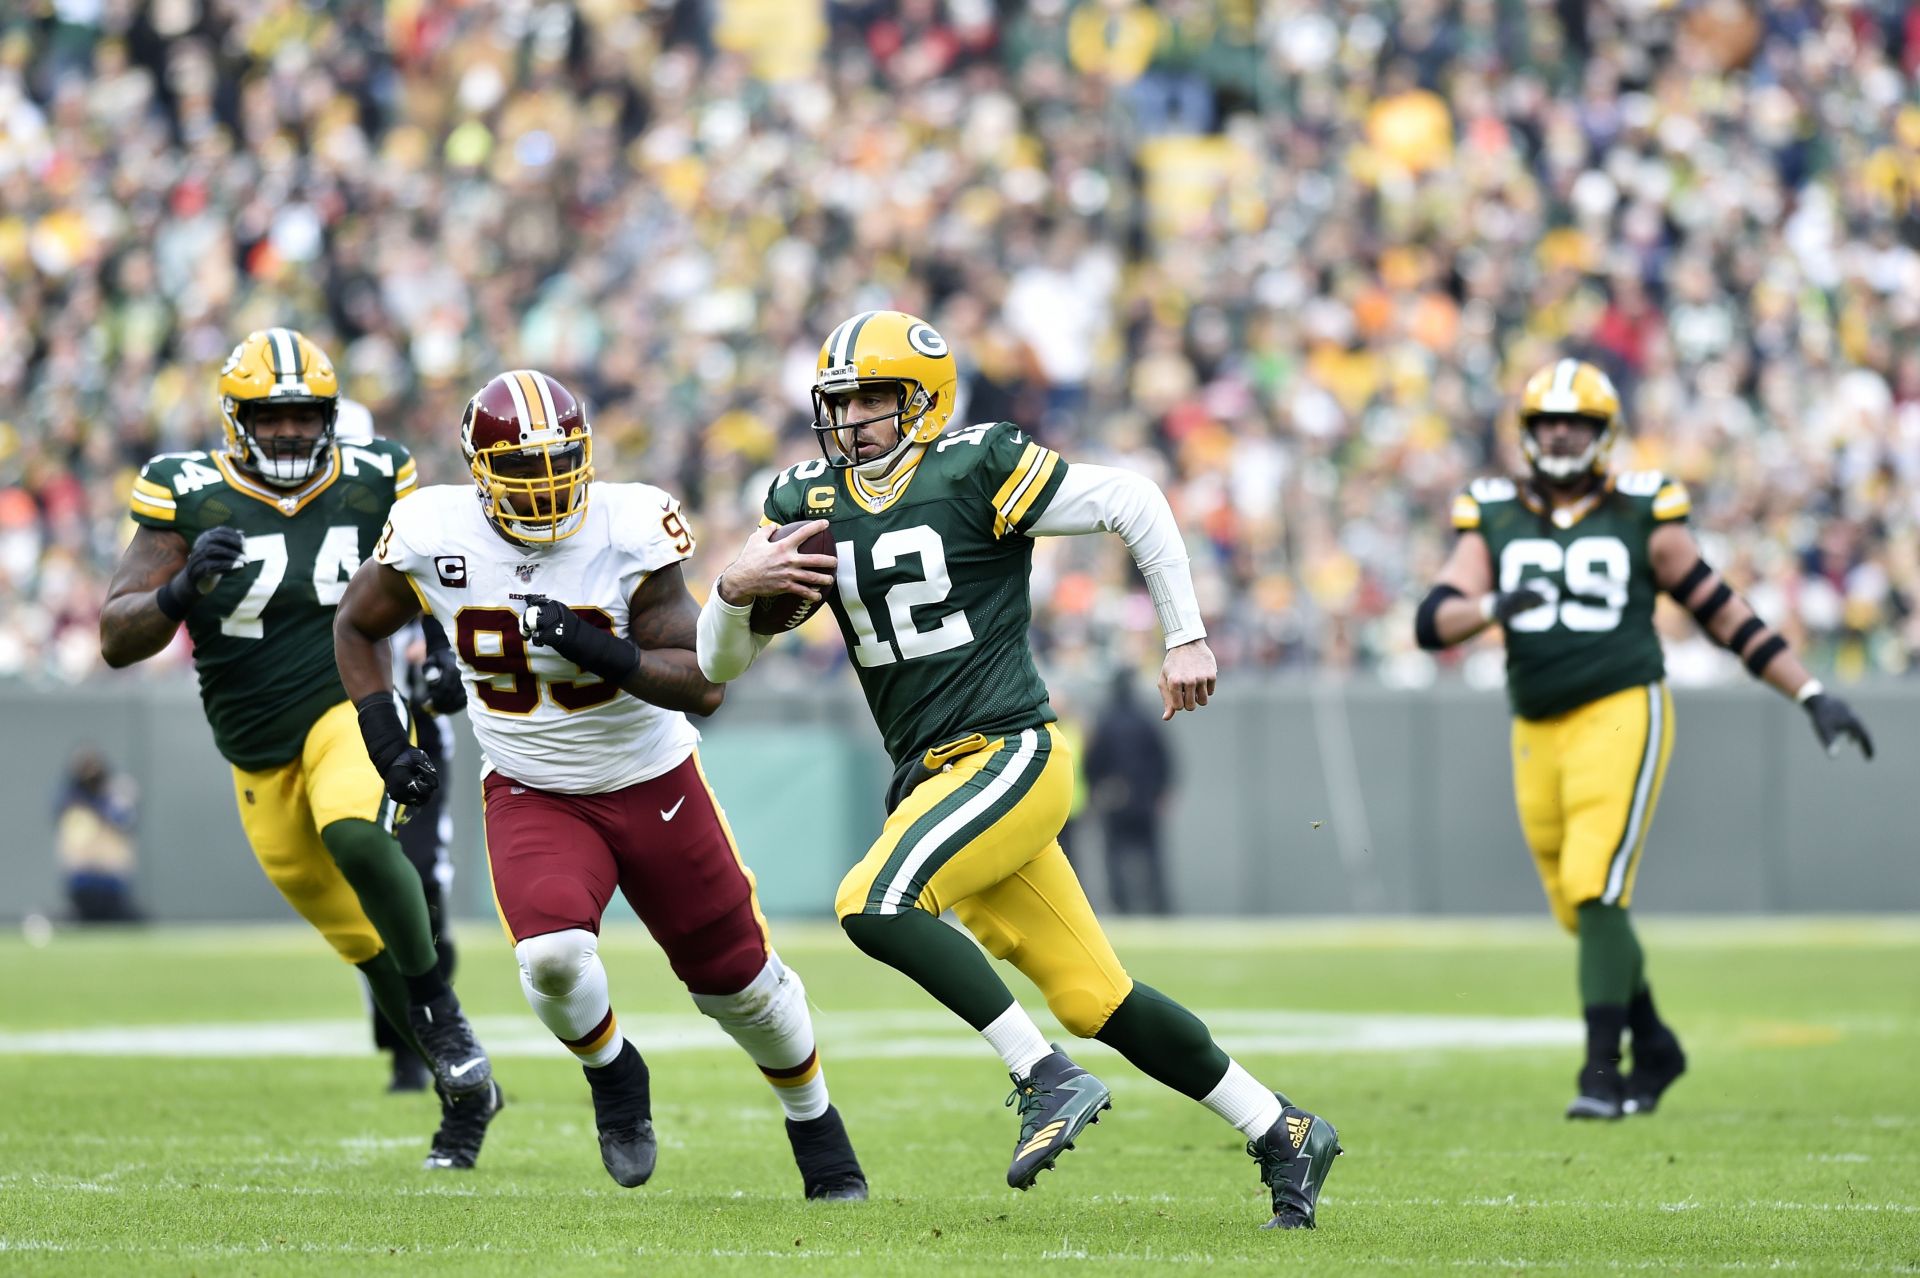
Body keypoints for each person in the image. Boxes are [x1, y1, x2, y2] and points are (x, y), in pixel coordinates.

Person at [697, 310, 1339, 1230]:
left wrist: (1186, 634)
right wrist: (728, 592)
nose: (853, 419)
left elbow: (1133, 500)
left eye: (873, 398)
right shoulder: (807, 500)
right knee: (1094, 997)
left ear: (924, 400)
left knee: (871, 902)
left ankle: (1042, 1077)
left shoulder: (976, 466)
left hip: (1008, 752)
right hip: (934, 773)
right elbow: (720, 666)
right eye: (841, 401)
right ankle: (1282, 1129)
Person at [333, 369, 867, 1200]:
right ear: (479, 472)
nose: (547, 492)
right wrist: (381, 734)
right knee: (549, 958)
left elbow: (703, 683)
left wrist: (600, 651)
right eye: (523, 473)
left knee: (741, 988)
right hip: (532, 783)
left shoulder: (627, 524)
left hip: (651, 776)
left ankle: (817, 1128)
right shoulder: (429, 527)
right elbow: (356, 625)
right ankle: (614, 1074)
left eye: (561, 466)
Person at [1414, 358, 1874, 1120]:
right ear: (1527, 433)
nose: (1560, 434)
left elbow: (1721, 611)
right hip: (1535, 722)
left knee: (1597, 884)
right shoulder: (1493, 511)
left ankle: (1603, 1072)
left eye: (1576, 422)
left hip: (1622, 708)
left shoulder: (1641, 509)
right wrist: (1496, 602)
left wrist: (1810, 692)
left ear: (1603, 433)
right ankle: (1657, 1043)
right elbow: (1433, 621)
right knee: (1579, 907)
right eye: (1546, 422)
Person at [98, 327, 502, 1169]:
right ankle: (462, 1092)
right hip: (253, 749)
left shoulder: (373, 478)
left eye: (304, 414)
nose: (288, 431)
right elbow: (115, 637)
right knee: (365, 946)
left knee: (357, 830)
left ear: (329, 416)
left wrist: (440, 653)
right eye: (271, 415)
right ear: (236, 418)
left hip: (347, 703)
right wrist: (178, 588)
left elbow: (430, 574)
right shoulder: (186, 492)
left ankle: (445, 1013)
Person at [338, 399, 468, 1094]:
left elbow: (452, 595)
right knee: (372, 892)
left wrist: (446, 661)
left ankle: (428, 1036)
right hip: (336, 727)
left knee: (422, 884)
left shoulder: (413, 527)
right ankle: (403, 1042)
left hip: (410, 724)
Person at [1084, 671, 1174, 915]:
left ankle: (1121, 906)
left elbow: (1092, 762)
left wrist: (1095, 789)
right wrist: (1162, 791)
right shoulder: (1145, 719)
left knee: (1114, 855)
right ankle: (1159, 907)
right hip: (1146, 798)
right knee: (1152, 855)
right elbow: (1163, 759)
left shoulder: (1105, 721)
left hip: (1117, 798)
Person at [54, 749, 144, 923]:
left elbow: (125, 819)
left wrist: (105, 798)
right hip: (82, 884)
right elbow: (58, 810)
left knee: (130, 922)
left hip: (112, 884)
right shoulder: (72, 801)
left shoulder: (115, 797)